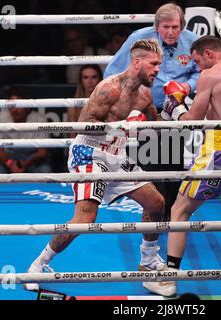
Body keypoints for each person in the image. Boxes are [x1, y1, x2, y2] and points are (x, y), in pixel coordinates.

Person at [25, 39, 172, 297]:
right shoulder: (109, 89)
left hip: (118, 154)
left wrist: (173, 112)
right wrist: (119, 126)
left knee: (156, 203)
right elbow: (83, 125)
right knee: (85, 218)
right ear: (137, 62)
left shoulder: (146, 95)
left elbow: (155, 128)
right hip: (89, 152)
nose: (158, 69)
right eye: (154, 64)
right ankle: (38, 265)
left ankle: (148, 261)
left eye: (159, 64)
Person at [159, 35, 221, 296]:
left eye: (198, 61)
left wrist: (175, 105)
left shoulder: (211, 74)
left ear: (208, 53)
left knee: (178, 212)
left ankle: (169, 279)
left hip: (220, 149)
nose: (198, 68)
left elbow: (193, 120)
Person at [104, 2, 200, 222]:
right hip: (145, 109)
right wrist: (126, 99)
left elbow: (201, 71)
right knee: (149, 162)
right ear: (157, 26)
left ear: (182, 25)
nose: (171, 32)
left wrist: (187, 87)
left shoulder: (191, 40)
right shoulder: (139, 39)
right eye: (166, 27)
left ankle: (172, 214)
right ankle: (154, 215)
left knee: (175, 163)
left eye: (175, 27)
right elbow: (113, 71)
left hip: (176, 110)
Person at [0, 89, 52, 174]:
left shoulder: (40, 119)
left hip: (32, 156)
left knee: (45, 171)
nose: (14, 110)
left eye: (18, 106)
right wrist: (10, 164)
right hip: (7, 155)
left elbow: (42, 152)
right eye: (11, 106)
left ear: (27, 107)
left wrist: (25, 164)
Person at [67, 64, 103, 138]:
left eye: (94, 77)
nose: (90, 81)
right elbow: (72, 135)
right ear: (81, 81)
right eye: (86, 77)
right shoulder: (74, 105)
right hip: (81, 145)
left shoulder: (108, 101)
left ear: (100, 79)